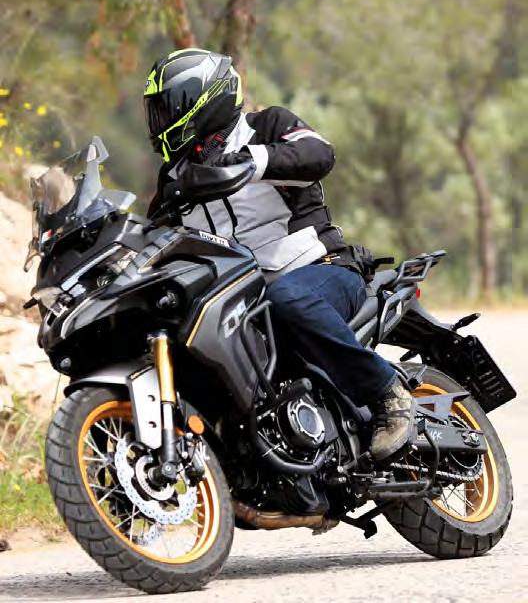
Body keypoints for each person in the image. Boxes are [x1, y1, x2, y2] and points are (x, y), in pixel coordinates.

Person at [144, 48, 414, 461]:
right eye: (156, 111)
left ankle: (387, 394)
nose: (160, 121)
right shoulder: (176, 179)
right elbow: (153, 240)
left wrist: (250, 163)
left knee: (284, 297)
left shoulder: (266, 127)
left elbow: (319, 154)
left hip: (322, 271)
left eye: (168, 108)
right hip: (247, 304)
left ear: (203, 99)